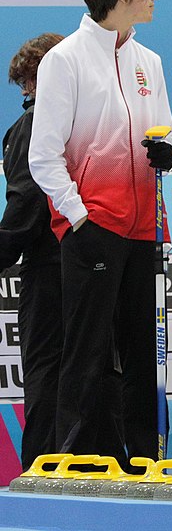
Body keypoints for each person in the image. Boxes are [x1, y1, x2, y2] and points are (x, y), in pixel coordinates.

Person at [28, 0, 172, 468]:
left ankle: (141, 461)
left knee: (140, 351)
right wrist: (78, 214)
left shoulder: (149, 61)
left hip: (143, 228)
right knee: (87, 348)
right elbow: (43, 153)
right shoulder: (64, 59)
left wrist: (164, 150)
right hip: (94, 225)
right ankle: (66, 460)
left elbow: (161, 129)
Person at [1, 33, 64, 471]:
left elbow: (26, 202)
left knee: (44, 371)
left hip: (49, 268)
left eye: (29, 81)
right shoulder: (84, 119)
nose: (27, 91)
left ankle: (42, 471)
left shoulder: (32, 126)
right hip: (95, 262)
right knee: (89, 372)